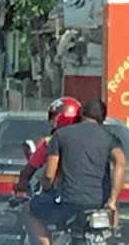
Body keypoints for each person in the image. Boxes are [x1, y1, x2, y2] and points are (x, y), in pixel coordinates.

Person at [28, 99, 127, 245]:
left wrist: (46, 188)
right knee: (112, 218)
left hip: (68, 203)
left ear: (81, 115)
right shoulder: (109, 138)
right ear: (103, 118)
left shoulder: (61, 135)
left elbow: (49, 175)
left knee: (30, 210)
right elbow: (121, 162)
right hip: (98, 204)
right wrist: (112, 200)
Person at [15, 97, 83, 194]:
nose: (51, 121)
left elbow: (29, 171)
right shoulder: (90, 141)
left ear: (64, 117)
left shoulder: (49, 142)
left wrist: (21, 186)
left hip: (58, 195)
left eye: (54, 117)